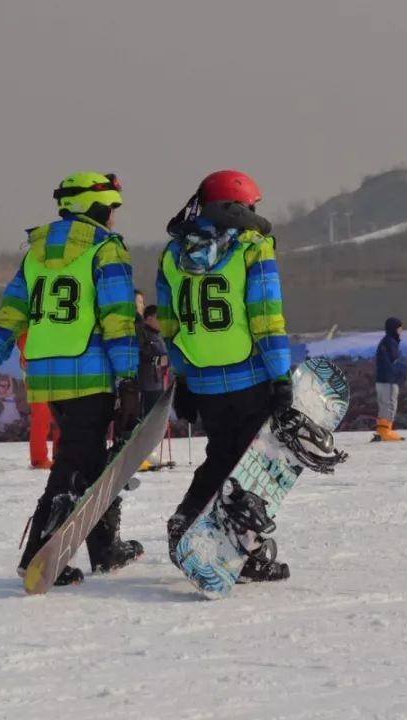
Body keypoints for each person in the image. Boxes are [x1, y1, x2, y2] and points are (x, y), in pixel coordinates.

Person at [0, 171, 143, 587]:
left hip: (44, 374)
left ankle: (104, 548)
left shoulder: (35, 253)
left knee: (94, 461)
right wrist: (129, 378)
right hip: (90, 371)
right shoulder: (105, 250)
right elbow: (117, 320)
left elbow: (11, 314)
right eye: (111, 208)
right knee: (76, 463)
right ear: (95, 206)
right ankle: (39, 555)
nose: (114, 216)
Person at [157, 169, 293, 582]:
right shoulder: (253, 248)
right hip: (250, 374)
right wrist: (281, 376)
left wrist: (182, 377)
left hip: (203, 379)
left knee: (221, 456)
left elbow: (169, 323)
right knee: (253, 466)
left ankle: (187, 515)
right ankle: (250, 553)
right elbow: (266, 318)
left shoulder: (172, 254)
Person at [17, 329, 59, 469]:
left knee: (64, 413)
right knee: (42, 415)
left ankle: (62, 455)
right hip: (36, 369)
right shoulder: (29, 314)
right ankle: (39, 458)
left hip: (60, 366)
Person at [373, 317, 407, 441]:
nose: (401, 330)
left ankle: (382, 430)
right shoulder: (390, 342)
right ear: (394, 329)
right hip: (389, 380)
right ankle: (386, 431)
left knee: (383, 404)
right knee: (390, 404)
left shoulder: (386, 342)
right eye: (399, 327)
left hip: (381, 379)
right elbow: (395, 361)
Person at [138, 304, 169, 415]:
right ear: (150, 318)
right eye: (158, 317)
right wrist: (160, 359)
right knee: (149, 416)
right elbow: (142, 355)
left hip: (157, 383)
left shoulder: (158, 336)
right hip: (147, 383)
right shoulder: (143, 333)